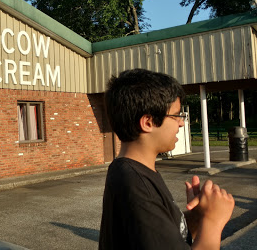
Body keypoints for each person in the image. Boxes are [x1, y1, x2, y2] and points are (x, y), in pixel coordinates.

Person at [99, 69, 235, 250]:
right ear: (148, 122)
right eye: (176, 115)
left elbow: (162, 235)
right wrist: (213, 221)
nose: (181, 122)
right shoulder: (135, 185)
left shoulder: (133, 173)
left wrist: (197, 217)